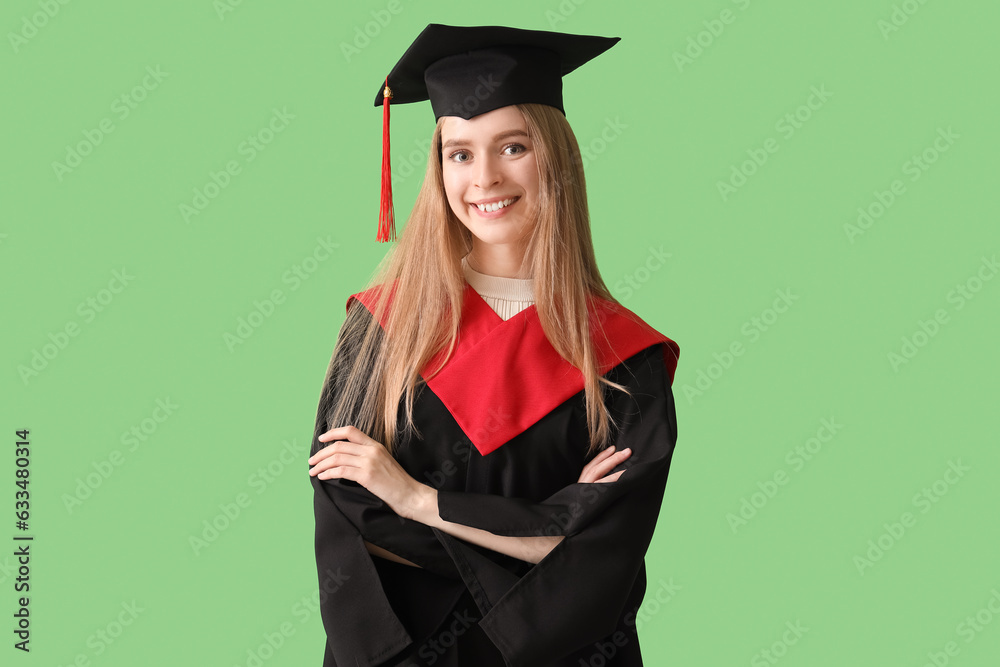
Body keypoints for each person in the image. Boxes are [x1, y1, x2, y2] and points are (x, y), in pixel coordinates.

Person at [306, 23, 681, 667]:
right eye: (460, 152)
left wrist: (417, 499)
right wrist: (545, 530)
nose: (484, 177)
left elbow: (609, 549)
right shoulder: (382, 326)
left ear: (554, 157)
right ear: (439, 167)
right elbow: (350, 509)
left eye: (513, 147)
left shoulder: (623, 356)